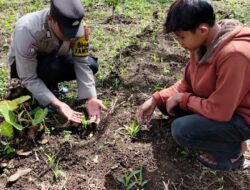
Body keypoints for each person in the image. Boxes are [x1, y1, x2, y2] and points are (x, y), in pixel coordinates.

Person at [136, 0, 250, 170]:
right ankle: (225, 139)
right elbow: (187, 83)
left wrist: (184, 99)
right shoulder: (202, 45)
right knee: (167, 105)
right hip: (222, 104)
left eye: (182, 36)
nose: (180, 42)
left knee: (182, 129)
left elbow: (220, 111)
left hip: (241, 116)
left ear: (202, 30)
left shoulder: (234, 55)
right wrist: (156, 99)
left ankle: (232, 153)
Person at [7, 0, 107, 124]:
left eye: (73, 32)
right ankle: (40, 97)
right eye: (66, 31)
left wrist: (92, 97)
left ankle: (50, 86)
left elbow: (81, 62)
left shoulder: (78, 27)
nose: (71, 36)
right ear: (50, 19)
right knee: (51, 67)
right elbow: (28, 76)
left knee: (92, 65)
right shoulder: (27, 29)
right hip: (24, 66)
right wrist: (58, 104)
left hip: (55, 56)